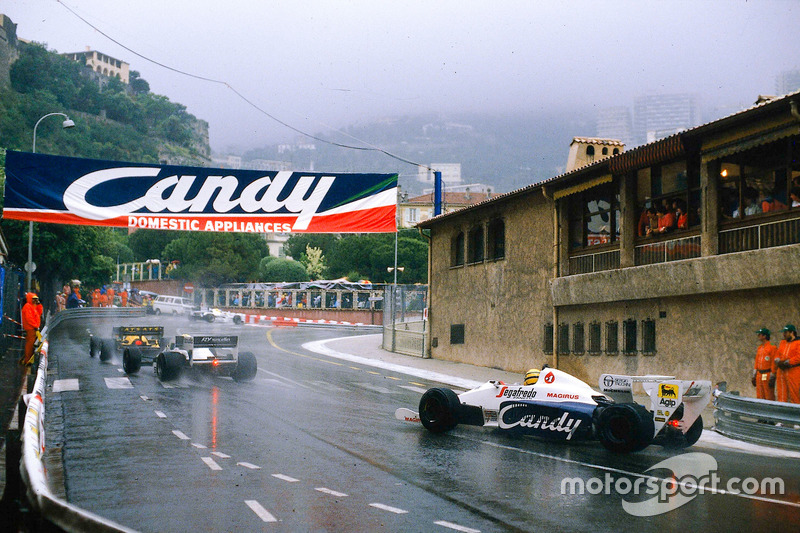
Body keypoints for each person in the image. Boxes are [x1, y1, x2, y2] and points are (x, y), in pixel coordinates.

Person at [774, 324, 800, 404]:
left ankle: (795, 414)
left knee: (794, 393)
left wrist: (788, 362)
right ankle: (782, 413)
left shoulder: (798, 343)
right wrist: (778, 361)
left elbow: (799, 356)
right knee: (781, 394)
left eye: (786, 332)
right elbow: (777, 353)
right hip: (781, 371)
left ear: (792, 332)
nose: (784, 334)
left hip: (793, 371)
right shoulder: (782, 342)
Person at [752, 328, 777, 401]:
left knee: (768, 395)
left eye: (760, 334)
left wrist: (773, 375)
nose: (758, 336)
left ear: (765, 336)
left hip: (767, 374)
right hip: (759, 374)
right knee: (760, 395)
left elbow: (773, 362)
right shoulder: (760, 348)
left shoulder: (772, 347)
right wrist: (754, 374)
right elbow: (757, 361)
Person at [21, 293, 43, 366]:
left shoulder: (32, 306)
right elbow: (29, 318)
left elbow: (39, 313)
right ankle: (28, 360)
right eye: (34, 299)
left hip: (33, 328)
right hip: (31, 328)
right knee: (30, 344)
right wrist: (35, 326)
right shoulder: (27, 307)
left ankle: (29, 359)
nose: (35, 300)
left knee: (32, 344)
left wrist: (39, 304)